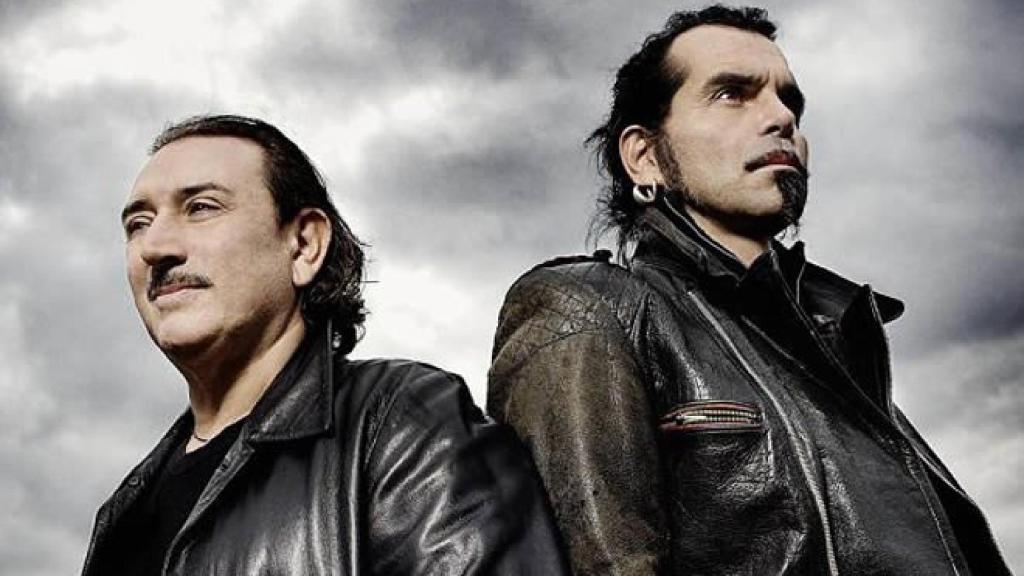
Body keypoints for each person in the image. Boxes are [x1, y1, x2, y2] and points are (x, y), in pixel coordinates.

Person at [487, 5, 1010, 575]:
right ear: (644, 156)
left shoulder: (841, 347)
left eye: (790, 102)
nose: (781, 117)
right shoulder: (590, 309)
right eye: (732, 94)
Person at [82, 114, 567, 575]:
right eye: (138, 224)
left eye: (201, 208)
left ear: (304, 245)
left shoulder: (403, 422)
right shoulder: (122, 512)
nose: (155, 247)